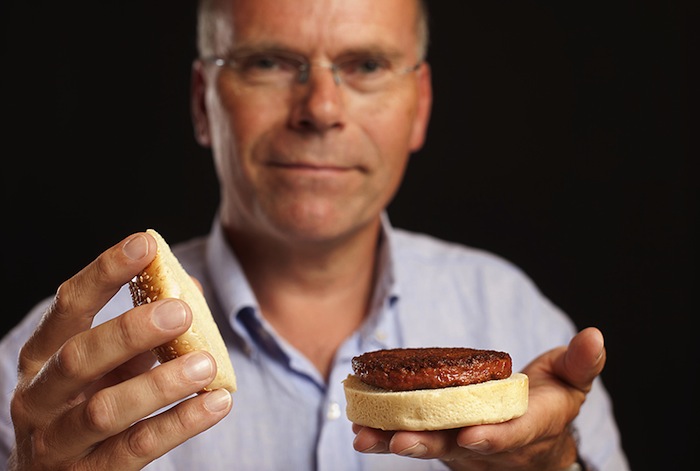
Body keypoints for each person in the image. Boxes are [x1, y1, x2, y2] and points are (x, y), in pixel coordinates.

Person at [0, 0, 629, 469]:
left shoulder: (519, 317)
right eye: (270, 62)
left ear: (421, 105)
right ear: (202, 101)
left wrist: (554, 464)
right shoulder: (48, 382)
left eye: (367, 65)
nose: (321, 109)